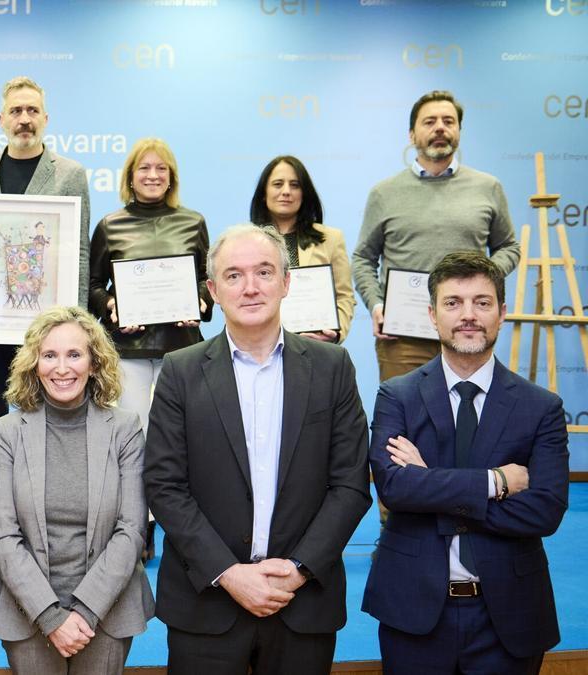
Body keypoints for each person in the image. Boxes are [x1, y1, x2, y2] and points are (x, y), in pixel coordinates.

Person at [144, 225, 371, 674]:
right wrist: (229, 574)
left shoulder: (332, 368)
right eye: (233, 275)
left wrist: (299, 568)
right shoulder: (180, 372)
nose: (250, 287)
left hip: (302, 602)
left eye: (264, 272)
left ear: (287, 282)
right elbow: (164, 486)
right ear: (212, 290)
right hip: (205, 604)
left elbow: (350, 484)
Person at [362, 251, 568, 675]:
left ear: (502, 312)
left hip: (510, 615)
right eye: (453, 303)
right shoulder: (396, 396)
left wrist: (431, 488)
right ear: (433, 315)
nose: (468, 315)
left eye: (482, 302)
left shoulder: (541, 407)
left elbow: (544, 511)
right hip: (414, 612)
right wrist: (495, 483)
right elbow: (396, 489)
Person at [0, 75, 91, 564]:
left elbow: (79, 249)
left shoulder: (70, 174)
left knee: (45, 420)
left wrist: (73, 326)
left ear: (45, 119)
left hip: (46, 329)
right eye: (16, 111)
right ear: (2, 119)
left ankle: (45, 525)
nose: (25, 119)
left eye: (33, 111)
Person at [0, 305, 154, 674]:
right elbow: (2, 535)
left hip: (107, 610)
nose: (62, 368)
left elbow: (131, 531)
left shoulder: (124, 429)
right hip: (27, 608)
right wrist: (50, 616)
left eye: (74, 355)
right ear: (34, 364)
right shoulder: (7, 432)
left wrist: (86, 610)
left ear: (94, 364)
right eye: (50, 355)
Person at [351, 90, 520, 381]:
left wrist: (480, 275)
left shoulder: (488, 187)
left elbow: (509, 247)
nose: (440, 127)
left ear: (458, 131)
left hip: (469, 327)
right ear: (411, 135)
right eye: (429, 121)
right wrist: (377, 305)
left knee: (469, 417)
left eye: (448, 121)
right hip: (403, 336)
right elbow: (363, 258)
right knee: (405, 420)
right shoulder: (384, 193)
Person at [88, 138, 212, 432]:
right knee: (135, 435)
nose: (153, 175)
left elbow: (208, 278)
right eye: (144, 168)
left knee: (185, 433)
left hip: (182, 348)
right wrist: (110, 306)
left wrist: (202, 301)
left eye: (161, 168)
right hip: (128, 350)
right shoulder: (110, 225)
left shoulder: (193, 222)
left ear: (172, 177)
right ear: (130, 176)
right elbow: (92, 284)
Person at [249, 155, 354, 343]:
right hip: (260, 345)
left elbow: (344, 297)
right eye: (278, 184)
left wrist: (335, 333)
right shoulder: (245, 241)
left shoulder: (331, 239)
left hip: (314, 348)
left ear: (304, 193)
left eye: (295, 185)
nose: (286, 191)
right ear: (264, 193)